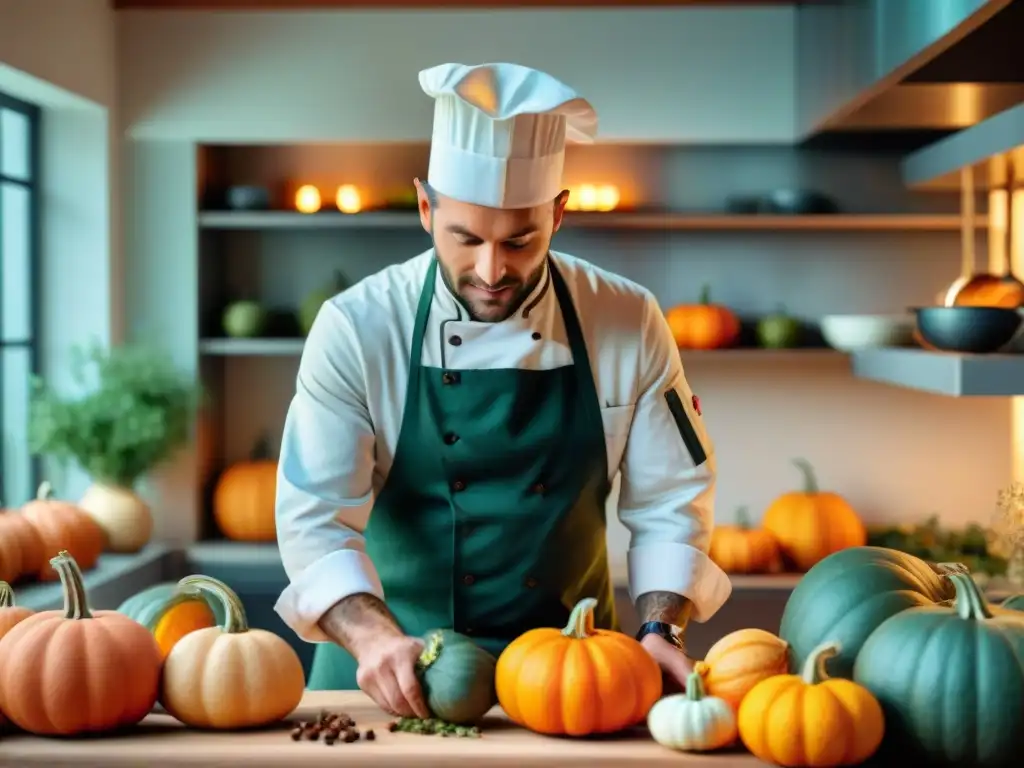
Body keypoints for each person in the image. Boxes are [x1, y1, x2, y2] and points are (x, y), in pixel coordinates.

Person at [274, 61, 731, 716]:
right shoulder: (357, 325)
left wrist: (661, 629)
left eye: (520, 241)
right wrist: (373, 639)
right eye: (465, 238)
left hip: (573, 680)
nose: (492, 271)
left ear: (558, 213)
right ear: (426, 208)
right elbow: (315, 515)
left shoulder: (626, 319)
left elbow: (672, 498)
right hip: (387, 676)